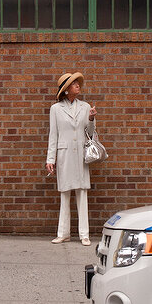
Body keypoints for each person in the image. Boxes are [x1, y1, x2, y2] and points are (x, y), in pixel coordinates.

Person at [45, 71, 97, 246]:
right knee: (65, 194)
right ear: (66, 89)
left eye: (77, 83)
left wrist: (91, 119)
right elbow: (53, 135)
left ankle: (84, 234)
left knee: (82, 193)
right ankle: (63, 233)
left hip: (80, 156)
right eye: (74, 83)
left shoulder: (86, 107)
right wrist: (50, 159)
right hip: (65, 155)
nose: (78, 85)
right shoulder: (56, 109)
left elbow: (90, 133)